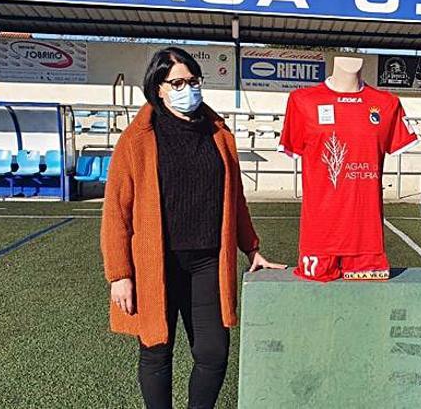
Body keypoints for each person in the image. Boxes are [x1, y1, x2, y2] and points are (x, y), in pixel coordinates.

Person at [100, 47, 284, 409]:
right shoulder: (137, 140)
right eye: (179, 82)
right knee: (156, 350)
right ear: (159, 88)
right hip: (157, 262)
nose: (189, 89)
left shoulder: (218, 133)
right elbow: (116, 211)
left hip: (208, 262)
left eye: (194, 81)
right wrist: (120, 274)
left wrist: (252, 248)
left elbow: (235, 199)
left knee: (214, 354)